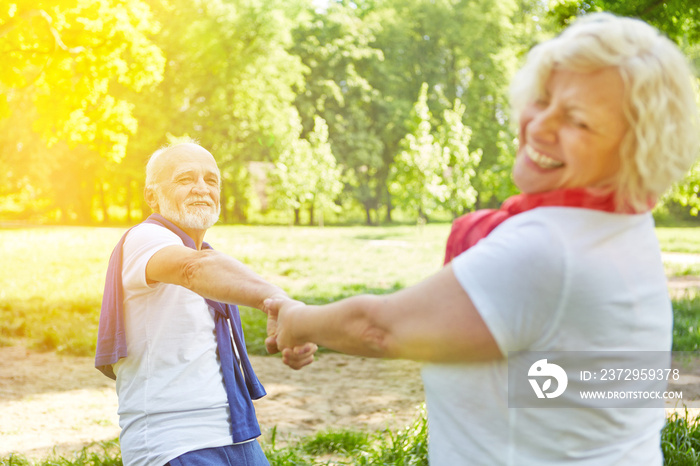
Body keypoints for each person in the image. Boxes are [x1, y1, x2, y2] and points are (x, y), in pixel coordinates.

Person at [264, 13, 700, 465]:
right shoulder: (622, 224)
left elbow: (380, 329)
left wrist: (297, 319)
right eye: (544, 98)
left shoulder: (549, 248)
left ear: (634, 148)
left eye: (579, 121)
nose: (539, 126)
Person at [95, 141, 316, 466]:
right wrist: (278, 302)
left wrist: (287, 322)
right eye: (185, 179)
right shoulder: (145, 238)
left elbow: (205, 266)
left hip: (238, 436)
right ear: (152, 196)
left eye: (211, 180)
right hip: (174, 442)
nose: (201, 188)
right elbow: (193, 269)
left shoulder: (210, 258)